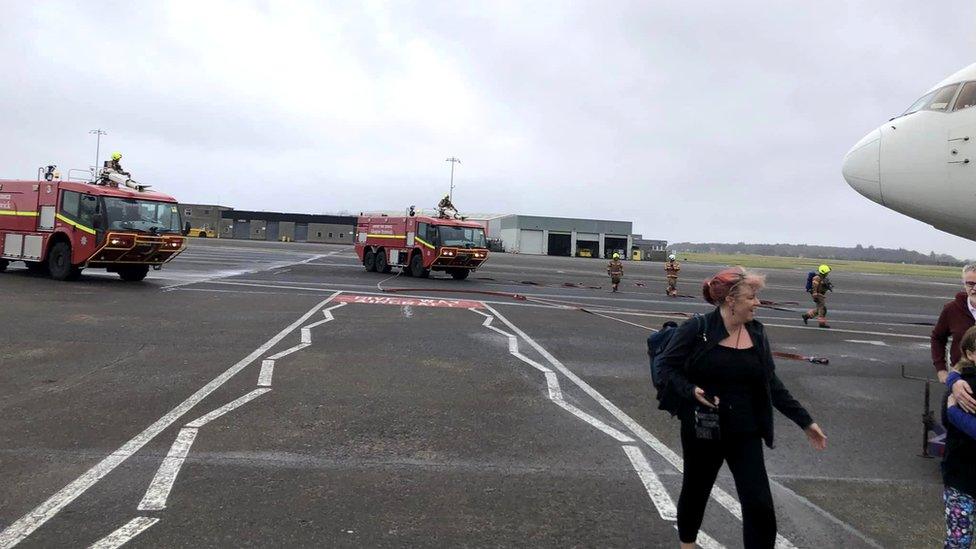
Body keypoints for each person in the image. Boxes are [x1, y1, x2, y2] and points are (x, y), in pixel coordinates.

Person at [656, 267, 827, 549]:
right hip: (704, 428)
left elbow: (771, 382)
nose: (757, 302)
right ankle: (687, 544)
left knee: (759, 503)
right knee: (696, 490)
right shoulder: (697, 329)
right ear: (731, 300)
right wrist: (690, 390)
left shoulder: (757, 334)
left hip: (746, 431)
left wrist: (805, 421)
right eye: (752, 296)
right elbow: (666, 367)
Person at [942, 325, 976, 548]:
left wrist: (953, 411)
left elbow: (947, 418)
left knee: (957, 541)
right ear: (970, 353)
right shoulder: (963, 385)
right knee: (958, 540)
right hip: (962, 477)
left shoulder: (959, 384)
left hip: (959, 476)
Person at [935, 265, 976, 418]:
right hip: (960, 377)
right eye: (970, 284)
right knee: (951, 421)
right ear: (964, 283)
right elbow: (937, 338)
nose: (974, 289)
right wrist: (941, 369)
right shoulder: (952, 309)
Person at [801, 264, 833, 328]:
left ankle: (807, 315)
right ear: (823, 272)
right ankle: (822, 324)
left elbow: (824, 286)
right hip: (818, 295)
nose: (827, 273)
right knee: (822, 309)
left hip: (820, 294)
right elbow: (814, 287)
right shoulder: (817, 278)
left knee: (820, 308)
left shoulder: (823, 278)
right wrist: (815, 295)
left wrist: (828, 286)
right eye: (827, 272)